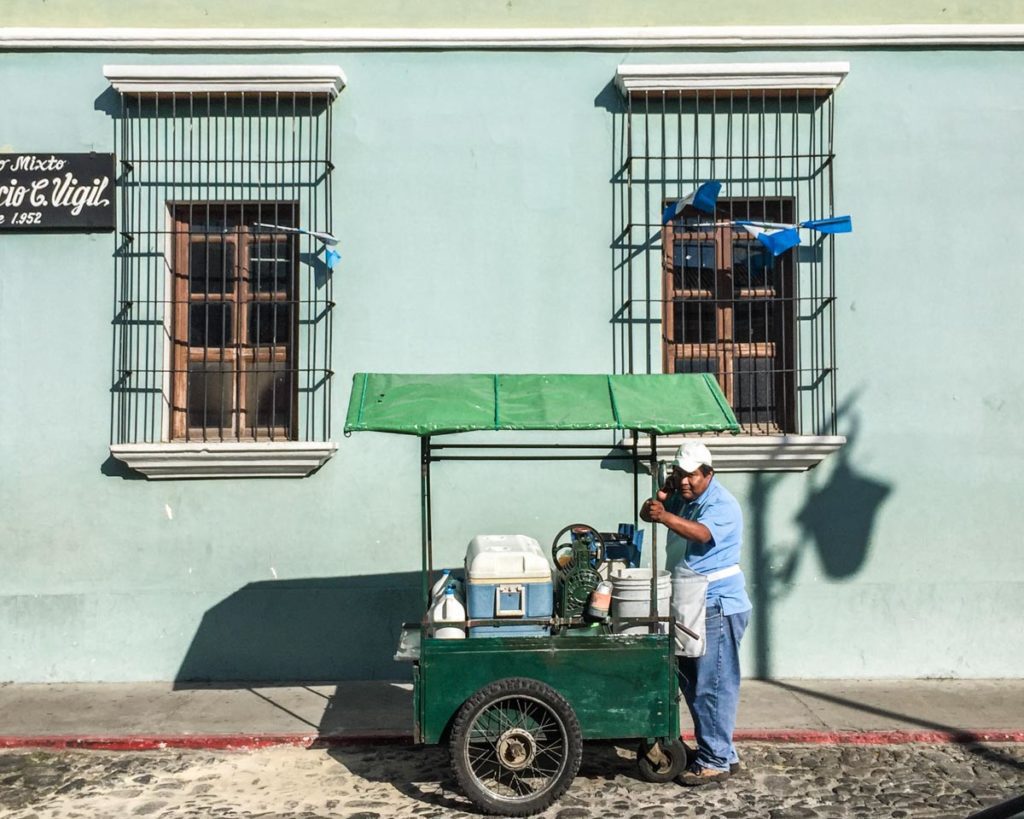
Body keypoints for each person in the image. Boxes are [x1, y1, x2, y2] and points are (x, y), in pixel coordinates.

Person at [640, 441, 751, 785]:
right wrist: (662, 494)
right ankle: (720, 751)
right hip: (691, 602)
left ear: (708, 473)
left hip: (717, 603)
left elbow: (703, 535)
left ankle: (716, 759)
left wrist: (667, 514)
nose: (685, 482)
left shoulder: (722, 504)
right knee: (691, 681)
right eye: (680, 475)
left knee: (712, 684)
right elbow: (648, 513)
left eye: (691, 476)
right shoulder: (683, 499)